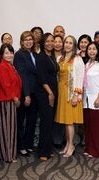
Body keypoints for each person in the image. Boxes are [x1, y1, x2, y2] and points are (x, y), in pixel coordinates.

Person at [54, 35, 85, 158]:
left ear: (74, 45)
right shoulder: (60, 58)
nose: (67, 44)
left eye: (70, 43)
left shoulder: (77, 59)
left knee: (70, 122)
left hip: (71, 93)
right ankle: (67, 144)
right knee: (65, 122)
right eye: (66, 42)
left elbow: (80, 78)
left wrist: (76, 95)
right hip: (61, 91)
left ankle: (71, 145)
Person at [0, 44, 22, 162]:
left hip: (12, 100)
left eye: (11, 53)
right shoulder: (2, 67)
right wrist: (15, 98)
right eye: (6, 53)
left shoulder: (11, 66)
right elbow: (6, 86)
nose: (9, 55)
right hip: (7, 101)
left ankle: (10, 154)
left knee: (11, 128)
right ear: (2, 54)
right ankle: (7, 156)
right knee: (7, 129)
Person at [14, 31, 39, 157]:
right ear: (22, 42)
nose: (29, 41)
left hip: (35, 93)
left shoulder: (34, 54)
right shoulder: (19, 55)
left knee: (31, 120)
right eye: (26, 39)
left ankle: (28, 144)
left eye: (30, 39)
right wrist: (27, 94)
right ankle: (20, 146)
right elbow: (22, 75)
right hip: (25, 93)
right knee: (21, 121)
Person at [83, 42, 99, 158]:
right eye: (89, 49)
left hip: (98, 99)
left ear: (98, 51)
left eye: (94, 49)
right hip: (87, 99)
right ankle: (89, 148)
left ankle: (96, 151)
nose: (91, 51)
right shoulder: (88, 63)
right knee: (88, 126)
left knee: (97, 127)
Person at [36, 33, 59, 161]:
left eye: (52, 41)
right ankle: (42, 152)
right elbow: (41, 77)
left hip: (53, 91)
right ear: (43, 43)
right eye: (48, 41)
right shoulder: (41, 57)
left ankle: (47, 148)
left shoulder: (51, 56)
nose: (50, 43)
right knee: (45, 122)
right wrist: (50, 93)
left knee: (50, 122)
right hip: (45, 93)